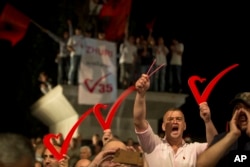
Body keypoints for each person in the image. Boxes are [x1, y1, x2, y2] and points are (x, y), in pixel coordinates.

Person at [133, 74, 218, 167]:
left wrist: (208, 121)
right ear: (163, 126)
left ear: (184, 126)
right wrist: (141, 94)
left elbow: (215, 146)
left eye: (179, 119)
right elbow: (139, 122)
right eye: (170, 119)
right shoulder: (153, 144)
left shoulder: (194, 149)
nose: (174, 121)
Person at [196, 92, 250, 167]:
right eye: (237, 108)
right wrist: (232, 135)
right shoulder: (222, 139)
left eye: (247, 108)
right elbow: (201, 165)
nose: (241, 112)